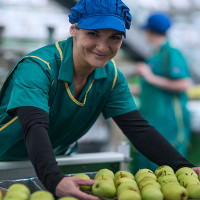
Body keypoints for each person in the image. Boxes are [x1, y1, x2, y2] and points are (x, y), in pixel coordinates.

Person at [0, 1, 199, 199]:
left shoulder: (111, 77)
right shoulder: (38, 68)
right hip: (4, 160)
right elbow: (35, 126)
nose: (103, 47)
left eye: (115, 37)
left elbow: (138, 129)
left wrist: (186, 168)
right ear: (74, 29)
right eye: (93, 34)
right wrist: (54, 179)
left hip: (50, 161)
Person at [135, 12, 192, 171]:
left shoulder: (171, 53)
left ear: (149, 31)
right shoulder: (154, 55)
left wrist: (149, 76)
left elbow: (184, 83)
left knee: (168, 167)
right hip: (151, 117)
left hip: (168, 121)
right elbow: (151, 88)